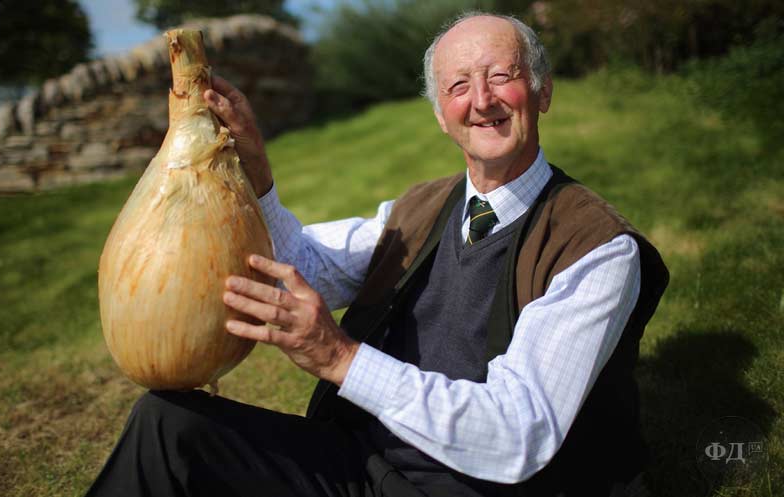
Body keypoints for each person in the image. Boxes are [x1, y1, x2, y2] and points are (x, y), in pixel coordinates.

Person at [86, 12, 668, 497]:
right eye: (458, 86)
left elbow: (519, 433)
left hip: (476, 489)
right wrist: (255, 169)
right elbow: (306, 269)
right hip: (362, 462)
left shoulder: (596, 248)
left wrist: (340, 357)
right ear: (440, 114)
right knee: (168, 426)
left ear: (542, 91)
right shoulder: (419, 209)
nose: (481, 100)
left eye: (501, 76)